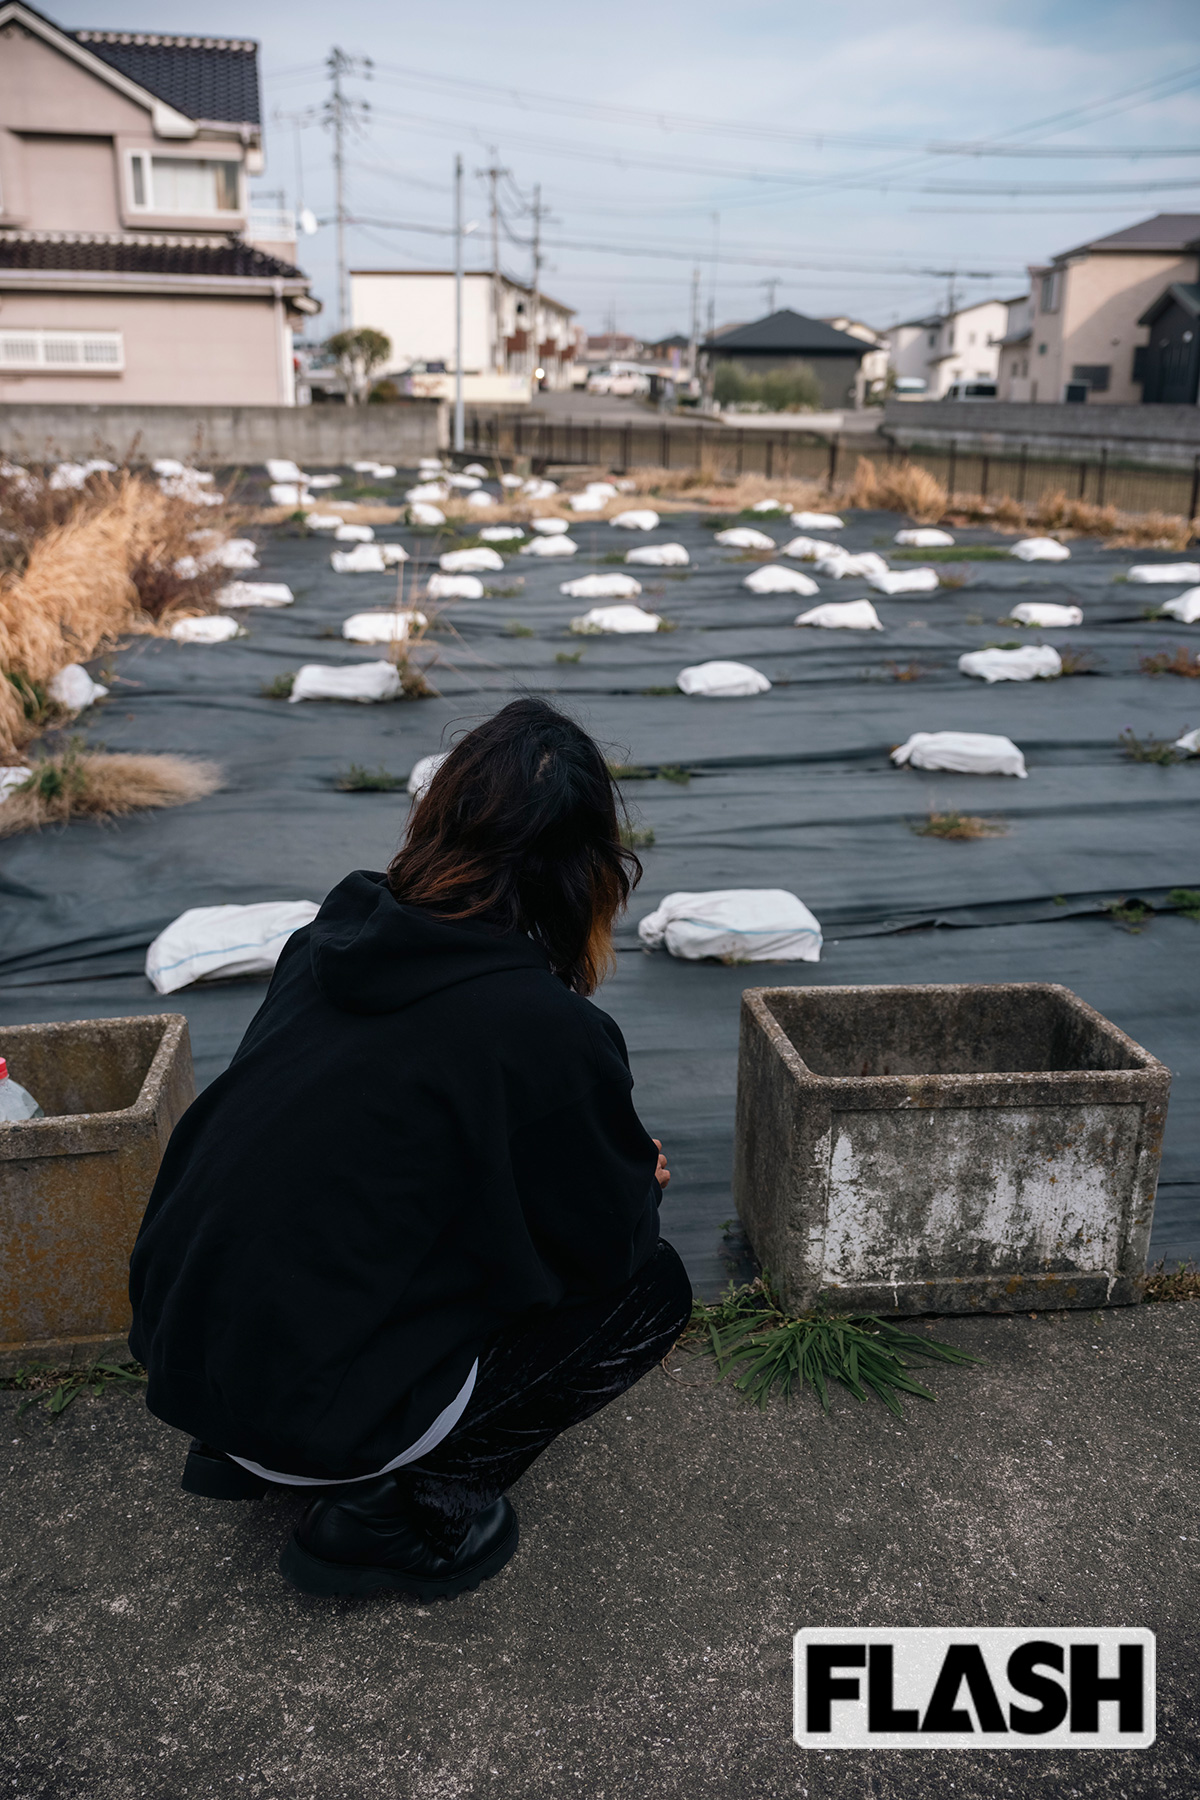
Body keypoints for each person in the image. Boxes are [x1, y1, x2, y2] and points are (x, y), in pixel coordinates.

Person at [129, 697, 692, 1601]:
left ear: (436, 821)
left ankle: (256, 1444)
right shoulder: (546, 1030)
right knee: (649, 1291)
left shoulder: (331, 938)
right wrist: (636, 1182)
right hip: (307, 1415)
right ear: (592, 871)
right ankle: (391, 1515)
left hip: (188, 1355)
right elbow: (606, 1248)